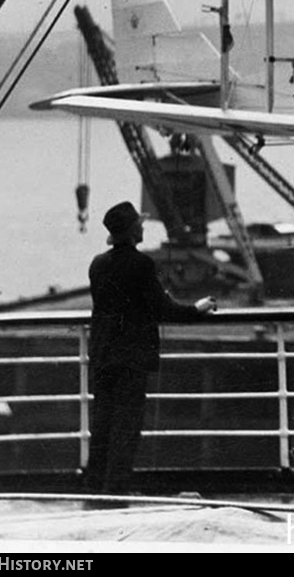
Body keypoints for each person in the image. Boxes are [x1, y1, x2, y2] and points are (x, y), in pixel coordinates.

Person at [85, 201, 216, 496]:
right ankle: (117, 488)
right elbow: (162, 308)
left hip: (103, 354)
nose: (143, 227)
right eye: (139, 225)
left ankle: (94, 486)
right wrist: (197, 309)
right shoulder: (142, 265)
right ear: (133, 233)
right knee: (126, 426)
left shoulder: (98, 264)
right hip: (131, 356)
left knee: (103, 423)